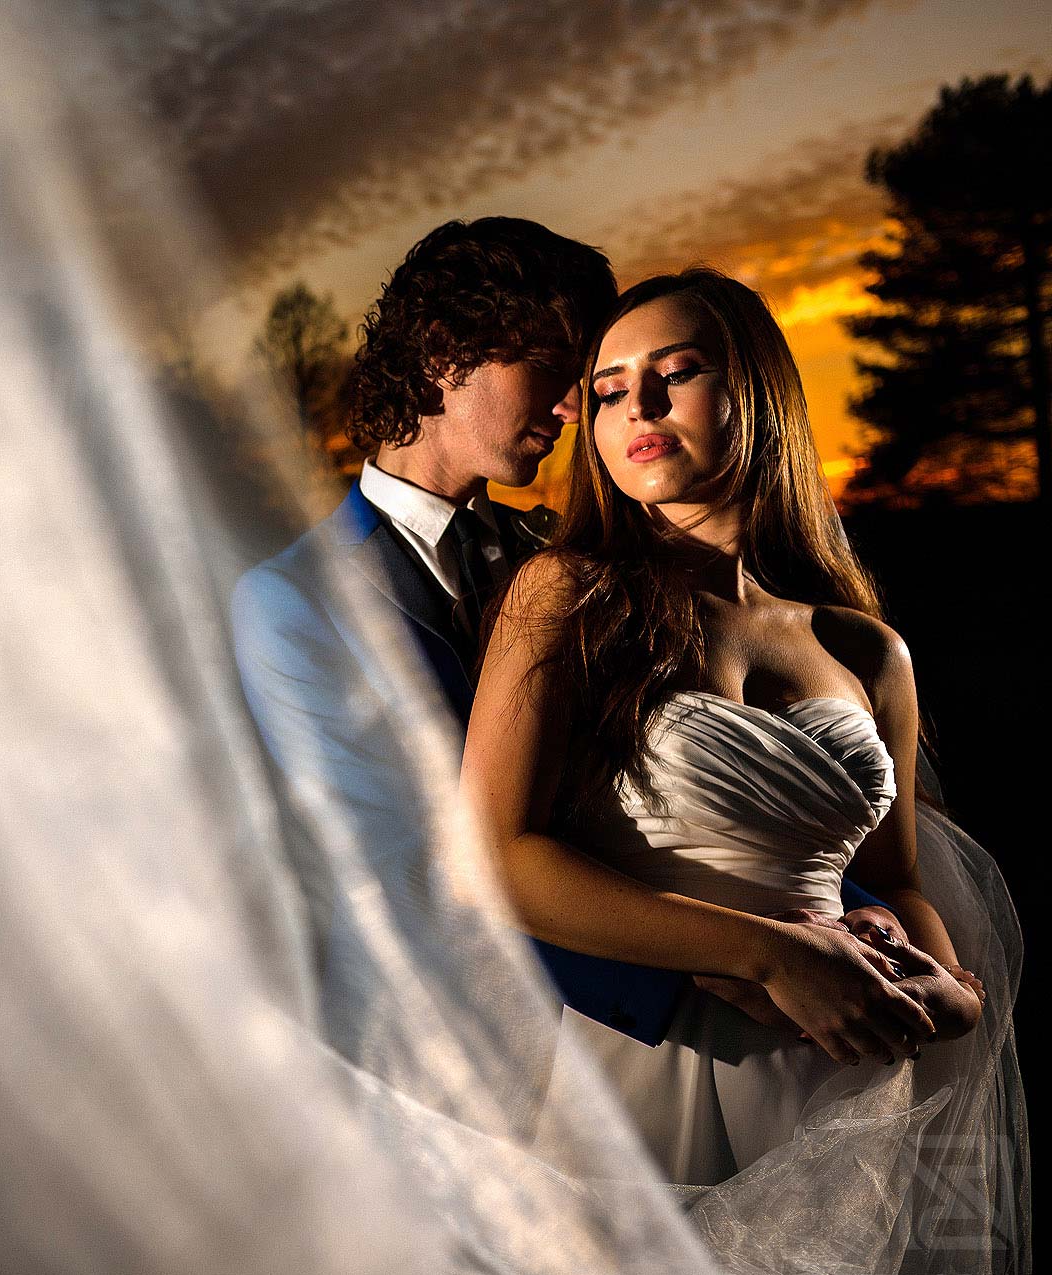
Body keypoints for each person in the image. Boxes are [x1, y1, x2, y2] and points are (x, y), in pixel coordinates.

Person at [463, 268, 1022, 1275]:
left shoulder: (866, 647)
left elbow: (896, 876)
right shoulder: (568, 595)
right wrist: (771, 954)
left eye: (674, 373)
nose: (637, 405)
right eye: (609, 389)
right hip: (657, 1066)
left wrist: (951, 993)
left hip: (843, 1075)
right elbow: (493, 857)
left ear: (756, 393)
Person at [231, 220, 886, 1049]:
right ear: (442, 353)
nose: (577, 407)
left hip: (649, 1032)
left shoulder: (577, 567)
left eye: (585, 380)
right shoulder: (294, 600)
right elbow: (409, 864)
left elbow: (715, 807)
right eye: (551, 364)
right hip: (443, 1055)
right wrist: (708, 975)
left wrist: (856, 926)